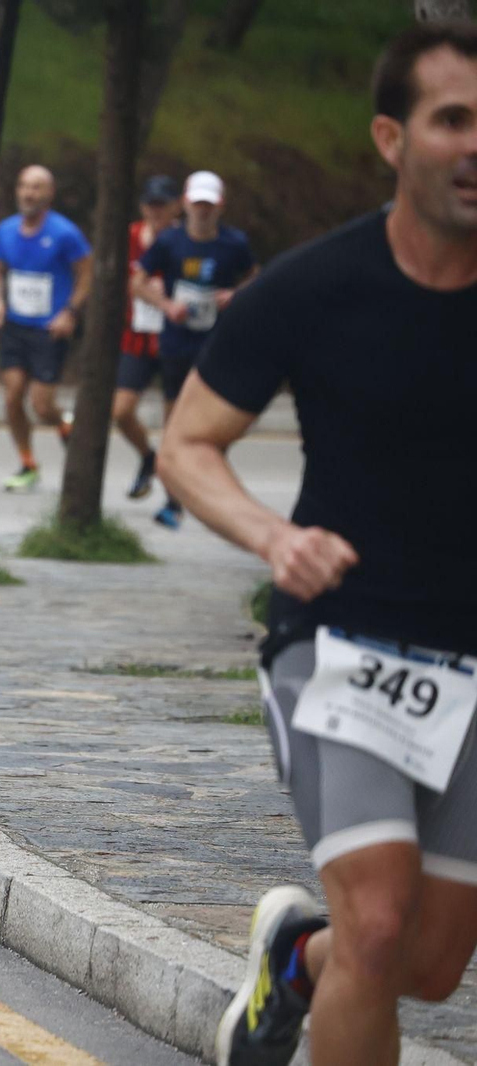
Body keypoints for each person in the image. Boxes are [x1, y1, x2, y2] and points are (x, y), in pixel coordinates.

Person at [158, 23, 477, 1066]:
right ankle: (330, 950)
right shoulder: (312, 287)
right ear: (392, 137)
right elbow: (187, 445)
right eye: (453, 120)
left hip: (470, 658)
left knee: (428, 963)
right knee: (378, 925)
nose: (475, 144)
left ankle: (298, 958)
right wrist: (274, 537)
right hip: (338, 647)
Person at [134, 169, 257, 529]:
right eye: (197, 204)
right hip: (177, 343)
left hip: (217, 345)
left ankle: (209, 492)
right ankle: (174, 500)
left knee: (211, 425)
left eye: (209, 205)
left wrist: (235, 295)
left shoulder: (234, 243)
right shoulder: (169, 242)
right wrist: (166, 305)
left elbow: (256, 277)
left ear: (220, 207)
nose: (202, 211)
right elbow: (137, 282)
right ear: (185, 204)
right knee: (175, 422)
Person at [0, 165, 92, 492]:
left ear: (49, 193)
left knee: (42, 405)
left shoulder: (65, 233)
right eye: (24, 186)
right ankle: (28, 463)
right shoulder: (5, 231)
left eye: (36, 187)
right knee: (12, 397)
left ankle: (64, 423)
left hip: (49, 329)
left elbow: (86, 274)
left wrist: (70, 313)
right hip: (16, 326)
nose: (29, 193)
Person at [112, 174, 180, 501]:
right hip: (137, 335)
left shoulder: (185, 239)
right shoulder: (130, 237)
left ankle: (173, 487)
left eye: (162, 205)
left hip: (175, 338)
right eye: (151, 205)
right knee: (121, 411)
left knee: (174, 419)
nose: (156, 211)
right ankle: (147, 456)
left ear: (176, 207)